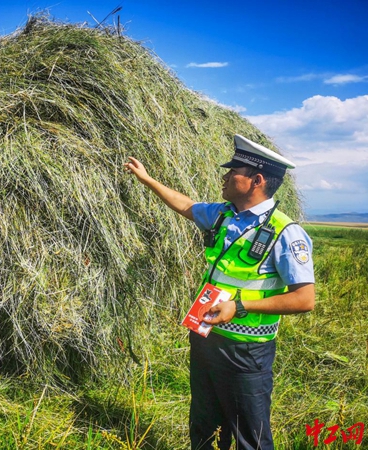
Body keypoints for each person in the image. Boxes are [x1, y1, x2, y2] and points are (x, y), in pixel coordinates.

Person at [124, 134, 315, 450]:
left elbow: (304, 299)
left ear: (255, 180)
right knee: (203, 422)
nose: (225, 177)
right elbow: (185, 204)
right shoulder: (223, 215)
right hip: (205, 337)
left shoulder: (285, 233)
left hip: (246, 351)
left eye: (233, 171)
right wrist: (147, 180)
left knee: (248, 434)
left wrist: (238, 306)